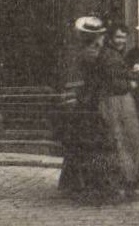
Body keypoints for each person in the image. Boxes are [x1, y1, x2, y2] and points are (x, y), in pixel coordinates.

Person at [91, 20, 139, 201]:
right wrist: (132, 83)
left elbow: (119, 74)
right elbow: (112, 82)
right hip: (113, 103)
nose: (120, 41)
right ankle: (121, 189)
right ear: (109, 37)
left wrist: (133, 77)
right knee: (120, 143)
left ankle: (125, 187)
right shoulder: (108, 55)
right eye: (117, 37)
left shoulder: (114, 53)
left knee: (126, 142)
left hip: (122, 102)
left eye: (124, 38)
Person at [58, 15, 108, 200]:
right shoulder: (92, 53)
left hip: (85, 103)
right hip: (88, 103)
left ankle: (79, 184)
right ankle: (90, 185)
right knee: (90, 145)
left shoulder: (84, 51)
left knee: (81, 145)